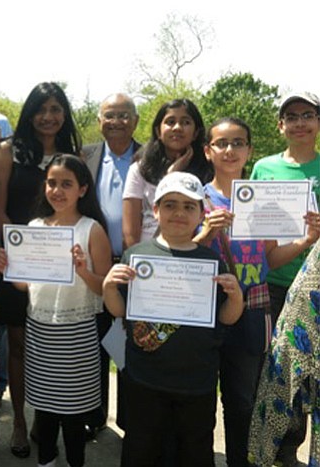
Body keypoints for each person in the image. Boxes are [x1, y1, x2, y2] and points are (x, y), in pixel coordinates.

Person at [195, 117, 320, 467]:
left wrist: (305, 240)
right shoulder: (195, 198)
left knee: (243, 402)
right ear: (208, 151)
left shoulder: (260, 199)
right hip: (205, 310)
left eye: (238, 143)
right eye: (221, 143)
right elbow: (181, 255)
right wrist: (205, 232)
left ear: (249, 150)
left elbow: (270, 258)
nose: (230, 150)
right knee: (200, 400)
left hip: (253, 310)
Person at [103, 171, 244, 467]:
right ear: (155, 211)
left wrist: (235, 297)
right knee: (142, 448)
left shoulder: (211, 261)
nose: (179, 212)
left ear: (201, 215)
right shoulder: (136, 255)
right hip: (145, 376)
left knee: (193, 450)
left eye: (189, 206)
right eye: (169, 205)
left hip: (197, 378)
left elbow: (227, 319)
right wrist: (108, 287)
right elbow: (119, 311)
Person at [0, 154, 111, 467]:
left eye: (66, 184)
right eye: (51, 182)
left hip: (76, 333)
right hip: (40, 330)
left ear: (83, 190)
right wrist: (9, 269)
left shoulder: (92, 230)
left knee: (74, 417)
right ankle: (45, 462)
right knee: (45, 412)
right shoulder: (35, 227)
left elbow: (104, 287)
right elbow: (25, 287)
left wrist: (82, 270)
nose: (57, 190)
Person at [0, 82, 82, 458]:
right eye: (41, 109)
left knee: (55, 343)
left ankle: (52, 420)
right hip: (20, 261)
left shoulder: (71, 154)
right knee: (19, 344)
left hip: (61, 265)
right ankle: (20, 423)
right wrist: (20, 251)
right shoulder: (9, 151)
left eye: (56, 109)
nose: (48, 116)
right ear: (29, 113)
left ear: (64, 114)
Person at [249, 92, 320, 466]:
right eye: (291, 116)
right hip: (276, 282)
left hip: (318, 289)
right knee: (280, 368)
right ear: (280, 126)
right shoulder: (264, 169)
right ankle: (283, 446)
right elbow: (257, 227)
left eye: (308, 115)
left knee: (314, 371)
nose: (300, 123)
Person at [82, 92, 141, 434]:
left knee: (134, 343)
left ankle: (132, 418)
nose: (116, 121)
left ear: (135, 121)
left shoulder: (150, 157)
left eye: (123, 115)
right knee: (97, 343)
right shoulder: (85, 155)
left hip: (137, 266)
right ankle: (96, 417)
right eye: (109, 115)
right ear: (99, 121)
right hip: (96, 267)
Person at [122, 98, 211, 250]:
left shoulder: (208, 170)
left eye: (185, 122)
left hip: (195, 255)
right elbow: (130, 233)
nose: (177, 128)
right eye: (170, 122)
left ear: (196, 133)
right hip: (148, 255)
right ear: (158, 131)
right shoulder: (139, 169)